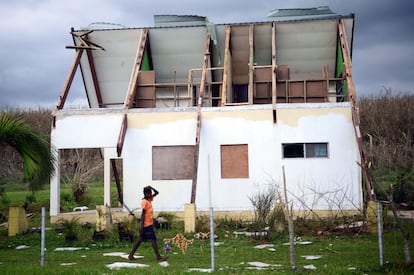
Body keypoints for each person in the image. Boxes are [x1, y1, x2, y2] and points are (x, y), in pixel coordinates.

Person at [128, 185, 167, 262]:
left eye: (150, 193)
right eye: (149, 193)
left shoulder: (149, 199)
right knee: (153, 239)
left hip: (149, 224)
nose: (151, 194)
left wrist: (151, 187)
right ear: (145, 193)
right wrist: (141, 227)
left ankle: (131, 255)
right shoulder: (144, 202)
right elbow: (143, 215)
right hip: (146, 225)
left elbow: (157, 192)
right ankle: (158, 257)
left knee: (140, 239)